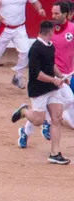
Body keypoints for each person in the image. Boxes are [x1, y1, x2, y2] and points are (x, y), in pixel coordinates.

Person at [10, 21, 70, 165]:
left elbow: (52, 65)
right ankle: (24, 111)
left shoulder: (50, 46)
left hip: (52, 89)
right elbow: (37, 74)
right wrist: (54, 80)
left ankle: (55, 153)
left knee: (57, 118)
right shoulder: (35, 49)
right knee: (38, 120)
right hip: (39, 90)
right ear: (50, 32)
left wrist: (61, 76)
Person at [20, 1, 74, 147]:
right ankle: (45, 123)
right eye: (53, 13)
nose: (54, 16)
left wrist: (63, 75)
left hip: (64, 74)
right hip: (50, 76)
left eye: (57, 13)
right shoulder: (48, 32)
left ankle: (26, 131)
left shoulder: (72, 29)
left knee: (60, 104)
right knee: (65, 102)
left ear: (66, 15)